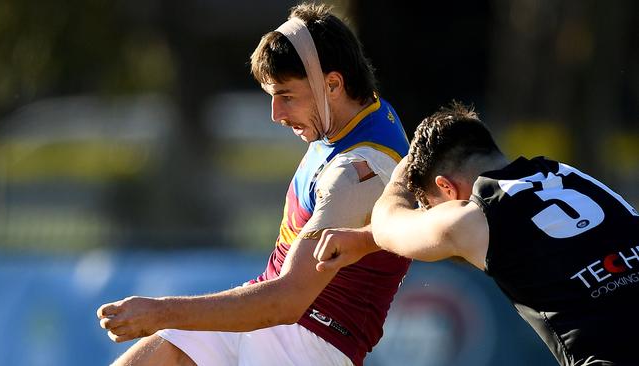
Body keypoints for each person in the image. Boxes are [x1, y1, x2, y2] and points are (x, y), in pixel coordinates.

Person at [96, 3, 411, 366]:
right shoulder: (349, 115)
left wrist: (160, 312)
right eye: (272, 96)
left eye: (286, 96)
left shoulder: (359, 172)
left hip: (311, 344)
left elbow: (286, 300)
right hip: (274, 317)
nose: (276, 114)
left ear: (334, 84)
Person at [314, 102, 639, 366]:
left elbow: (389, 225)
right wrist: (363, 239)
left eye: (431, 208)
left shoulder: (475, 216)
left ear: (446, 187)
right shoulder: (567, 175)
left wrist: (400, 175)